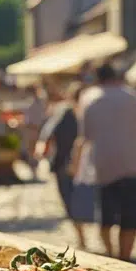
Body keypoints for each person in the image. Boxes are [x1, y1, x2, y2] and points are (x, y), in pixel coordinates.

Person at [70, 64, 136, 260]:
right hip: (131, 161)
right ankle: (125, 255)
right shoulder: (133, 97)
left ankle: (111, 252)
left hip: (103, 164)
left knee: (106, 215)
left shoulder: (90, 99)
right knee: (130, 215)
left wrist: (76, 165)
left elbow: (85, 137)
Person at [38, 82, 85, 247]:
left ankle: (82, 238)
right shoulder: (75, 113)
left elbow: (49, 133)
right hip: (75, 164)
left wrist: (43, 150)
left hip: (67, 163)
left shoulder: (67, 112)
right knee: (76, 200)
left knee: (71, 200)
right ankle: (82, 237)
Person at [22, 85, 49, 175]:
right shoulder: (31, 103)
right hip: (33, 130)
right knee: (32, 151)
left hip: (37, 130)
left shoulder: (39, 103)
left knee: (35, 151)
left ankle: (35, 169)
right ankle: (33, 170)